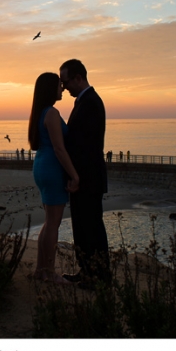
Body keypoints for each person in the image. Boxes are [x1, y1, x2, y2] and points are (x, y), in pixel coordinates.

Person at [59, 58, 111, 288]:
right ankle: (88, 271)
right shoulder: (85, 101)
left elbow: (84, 146)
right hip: (85, 177)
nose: (63, 86)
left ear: (78, 78)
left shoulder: (90, 102)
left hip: (88, 178)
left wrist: (75, 176)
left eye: (65, 81)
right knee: (83, 226)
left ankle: (97, 275)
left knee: (91, 228)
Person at [28, 72, 79, 284]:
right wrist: (75, 175)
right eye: (59, 85)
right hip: (51, 168)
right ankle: (49, 271)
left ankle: (41, 270)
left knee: (49, 222)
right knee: (53, 224)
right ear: (50, 89)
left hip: (42, 165)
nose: (62, 89)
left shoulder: (40, 113)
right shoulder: (51, 113)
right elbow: (59, 149)